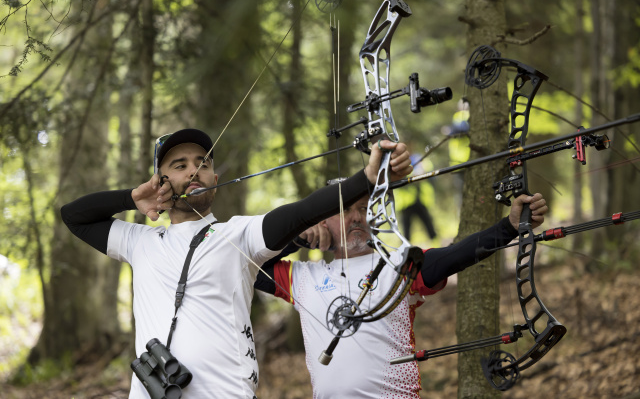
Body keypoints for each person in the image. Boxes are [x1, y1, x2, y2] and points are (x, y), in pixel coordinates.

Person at [60, 128, 413, 399]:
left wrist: (366, 179)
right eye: (179, 166)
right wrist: (131, 198)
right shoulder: (139, 242)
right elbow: (74, 216)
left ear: (215, 178)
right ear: (161, 182)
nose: (194, 171)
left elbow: (302, 212)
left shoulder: (238, 234)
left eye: (203, 163)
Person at [255, 186, 548, 398]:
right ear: (321, 221)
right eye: (343, 210)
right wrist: (297, 237)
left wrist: (508, 227)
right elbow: (246, 264)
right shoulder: (303, 278)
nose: (356, 217)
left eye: (363, 208)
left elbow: (456, 254)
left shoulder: (399, 265)